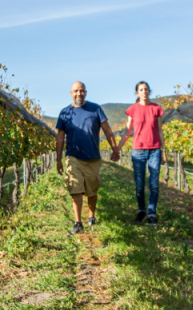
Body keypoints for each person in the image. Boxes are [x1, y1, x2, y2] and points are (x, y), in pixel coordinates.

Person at [55, 81, 120, 234]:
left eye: (82, 91)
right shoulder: (65, 113)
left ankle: (91, 216)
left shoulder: (95, 109)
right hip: (73, 156)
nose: (79, 93)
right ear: (71, 93)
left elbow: (107, 130)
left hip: (92, 157)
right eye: (76, 91)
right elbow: (59, 138)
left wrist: (115, 149)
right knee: (75, 188)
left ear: (86, 92)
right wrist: (58, 159)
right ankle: (78, 222)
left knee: (92, 189)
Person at [115, 81, 166, 225]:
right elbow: (127, 131)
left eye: (146, 89)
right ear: (137, 93)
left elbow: (160, 130)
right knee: (139, 183)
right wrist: (117, 149)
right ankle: (141, 210)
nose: (144, 92)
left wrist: (164, 151)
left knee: (154, 183)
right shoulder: (133, 109)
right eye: (141, 90)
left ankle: (152, 213)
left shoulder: (156, 109)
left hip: (154, 149)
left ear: (149, 91)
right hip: (138, 150)